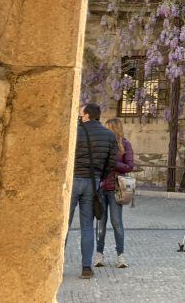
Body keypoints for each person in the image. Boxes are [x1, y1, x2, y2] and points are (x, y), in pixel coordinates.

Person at [68, 103, 118, 279]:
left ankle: (55, 265)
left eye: (81, 114)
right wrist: (99, 177)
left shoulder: (75, 131)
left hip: (73, 179)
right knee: (87, 226)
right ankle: (86, 268)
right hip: (93, 181)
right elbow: (112, 162)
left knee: (63, 225)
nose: (80, 117)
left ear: (87, 115)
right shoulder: (109, 135)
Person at [95, 117, 134, 270]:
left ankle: (120, 255)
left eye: (107, 128)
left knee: (117, 223)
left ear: (114, 129)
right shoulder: (103, 144)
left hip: (116, 189)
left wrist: (113, 163)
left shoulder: (125, 144)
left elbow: (130, 166)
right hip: (102, 187)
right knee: (100, 224)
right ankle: (99, 254)